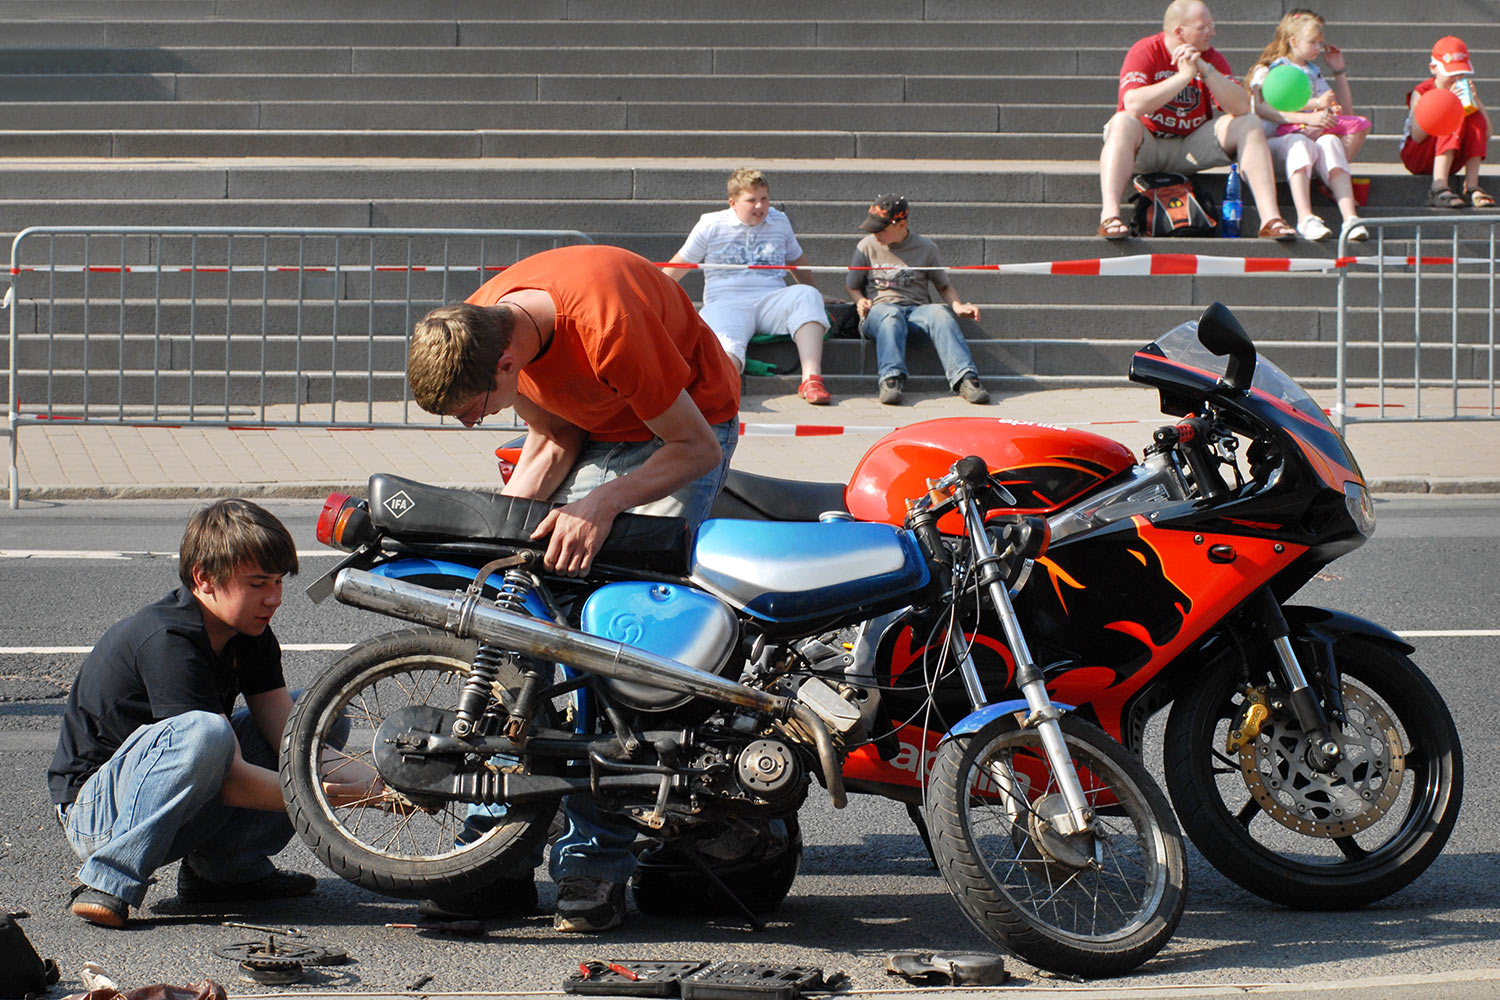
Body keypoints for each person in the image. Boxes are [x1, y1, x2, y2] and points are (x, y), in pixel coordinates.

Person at [405, 242, 741, 933]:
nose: (474, 423)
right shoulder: (484, 321)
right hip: (596, 430)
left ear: (505, 364)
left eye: (474, 408)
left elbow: (696, 448)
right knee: (515, 621)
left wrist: (602, 503)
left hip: (678, 433)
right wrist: (494, 547)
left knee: (612, 645)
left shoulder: (608, 330)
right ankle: (493, 849)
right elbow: (555, 435)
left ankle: (595, 863)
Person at [48, 499, 373, 929]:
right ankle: (109, 878)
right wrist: (339, 796)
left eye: (278, 582)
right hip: (96, 815)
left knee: (316, 718)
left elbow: (292, 742)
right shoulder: (169, 638)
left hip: (167, 794)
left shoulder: (250, 633)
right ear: (204, 578)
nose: (274, 598)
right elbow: (233, 783)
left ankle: (223, 873)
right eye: (258, 583)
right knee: (208, 733)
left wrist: (386, 783)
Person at [1099, 0, 1295, 240]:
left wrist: (1206, 69)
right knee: (1122, 122)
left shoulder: (1211, 57)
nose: (1212, 32)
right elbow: (1133, 104)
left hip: (1190, 147)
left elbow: (1242, 106)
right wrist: (1183, 78)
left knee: (1249, 123)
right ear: (1179, 32)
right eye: (1205, 27)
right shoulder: (1146, 50)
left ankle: (1270, 219)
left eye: (1211, 26)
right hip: (1148, 146)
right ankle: (1110, 216)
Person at [666, 167, 835, 405]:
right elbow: (680, 264)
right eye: (751, 200)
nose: (760, 206)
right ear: (733, 203)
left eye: (764, 199)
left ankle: (811, 379)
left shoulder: (780, 221)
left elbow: (797, 260)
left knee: (807, 296)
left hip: (771, 299)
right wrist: (653, 293)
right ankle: (722, 387)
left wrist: (817, 293)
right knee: (727, 343)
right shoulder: (710, 224)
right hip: (726, 303)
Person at [845, 195, 989, 406]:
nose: (875, 235)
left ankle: (965, 378)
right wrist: (859, 301)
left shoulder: (926, 248)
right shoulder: (866, 246)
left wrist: (957, 306)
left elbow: (943, 286)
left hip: (915, 311)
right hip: (880, 311)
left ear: (901, 224)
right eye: (872, 230)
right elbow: (852, 285)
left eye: (880, 230)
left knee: (940, 314)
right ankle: (890, 379)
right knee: (890, 315)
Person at [1246, 10, 1371, 241]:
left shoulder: (1314, 72)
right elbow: (1261, 108)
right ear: (1293, 41)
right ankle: (1305, 218)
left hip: (1306, 140)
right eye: (1312, 42)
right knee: (1298, 141)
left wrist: (1329, 107)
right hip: (1271, 148)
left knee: (1331, 140)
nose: (1318, 48)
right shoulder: (1268, 71)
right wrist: (1308, 117)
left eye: (1319, 43)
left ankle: (1350, 219)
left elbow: (1342, 111)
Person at [1401, 35, 1494, 209]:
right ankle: (1438, 186)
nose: (1456, 78)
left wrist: (1476, 101)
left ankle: (1471, 186)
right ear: (1433, 68)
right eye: (1451, 73)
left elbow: (1487, 133)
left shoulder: (1463, 91)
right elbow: (1417, 135)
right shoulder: (1422, 91)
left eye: (1461, 73)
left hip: (1452, 154)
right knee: (1451, 115)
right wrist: (1443, 106)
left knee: (1473, 116)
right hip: (1419, 154)